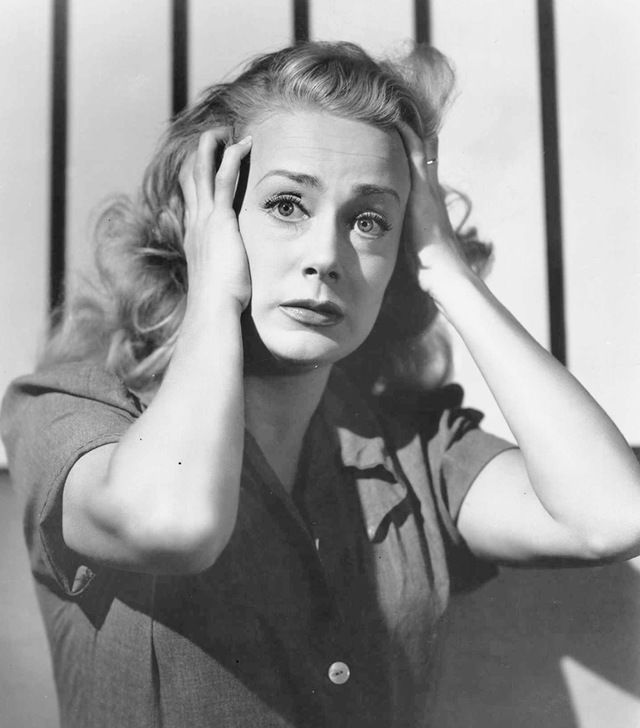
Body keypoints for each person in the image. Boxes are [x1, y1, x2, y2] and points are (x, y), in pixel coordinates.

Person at [2, 41, 640, 728]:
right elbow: (175, 524)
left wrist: (443, 268)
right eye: (286, 206)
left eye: (369, 221)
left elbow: (612, 517)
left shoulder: (414, 451)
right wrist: (214, 291)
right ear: (209, 220)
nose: (326, 257)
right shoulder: (69, 413)